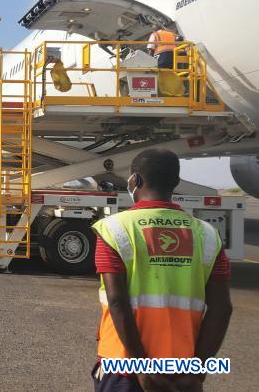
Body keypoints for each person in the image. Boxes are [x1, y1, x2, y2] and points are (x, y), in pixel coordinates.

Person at [91, 149, 232, 391]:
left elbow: (117, 302)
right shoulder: (207, 235)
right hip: (181, 369)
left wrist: (142, 369)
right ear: (175, 183)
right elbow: (222, 308)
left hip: (124, 368)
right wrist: (197, 370)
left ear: (135, 181)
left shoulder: (114, 229)